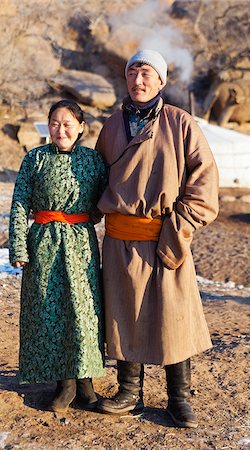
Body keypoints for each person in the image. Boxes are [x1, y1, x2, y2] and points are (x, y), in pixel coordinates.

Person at [95, 49, 219, 428]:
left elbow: (205, 182)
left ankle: (178, 399)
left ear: (162, 81)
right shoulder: (112, 126)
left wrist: (179, 227)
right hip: (119, 239)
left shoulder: (181, 124)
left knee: (174, 318)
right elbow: (95, 180)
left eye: (147, 73)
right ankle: (129, 393)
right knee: (124, 315)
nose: (139, 80)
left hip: (166, 236)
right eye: (133, 72)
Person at [9, 99, 108, 413]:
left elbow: (104, 201)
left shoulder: (93, 161)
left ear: (80, 127)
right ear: (48, 126)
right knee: (50, 312)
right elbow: (20, 204)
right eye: (55, 123)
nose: (61, 129)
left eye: (68, 124)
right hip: (44, 245)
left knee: (84, 312)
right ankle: (64, 384)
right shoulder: (35, 159)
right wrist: (19, 247)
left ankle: (86, 384)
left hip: (81, 245)